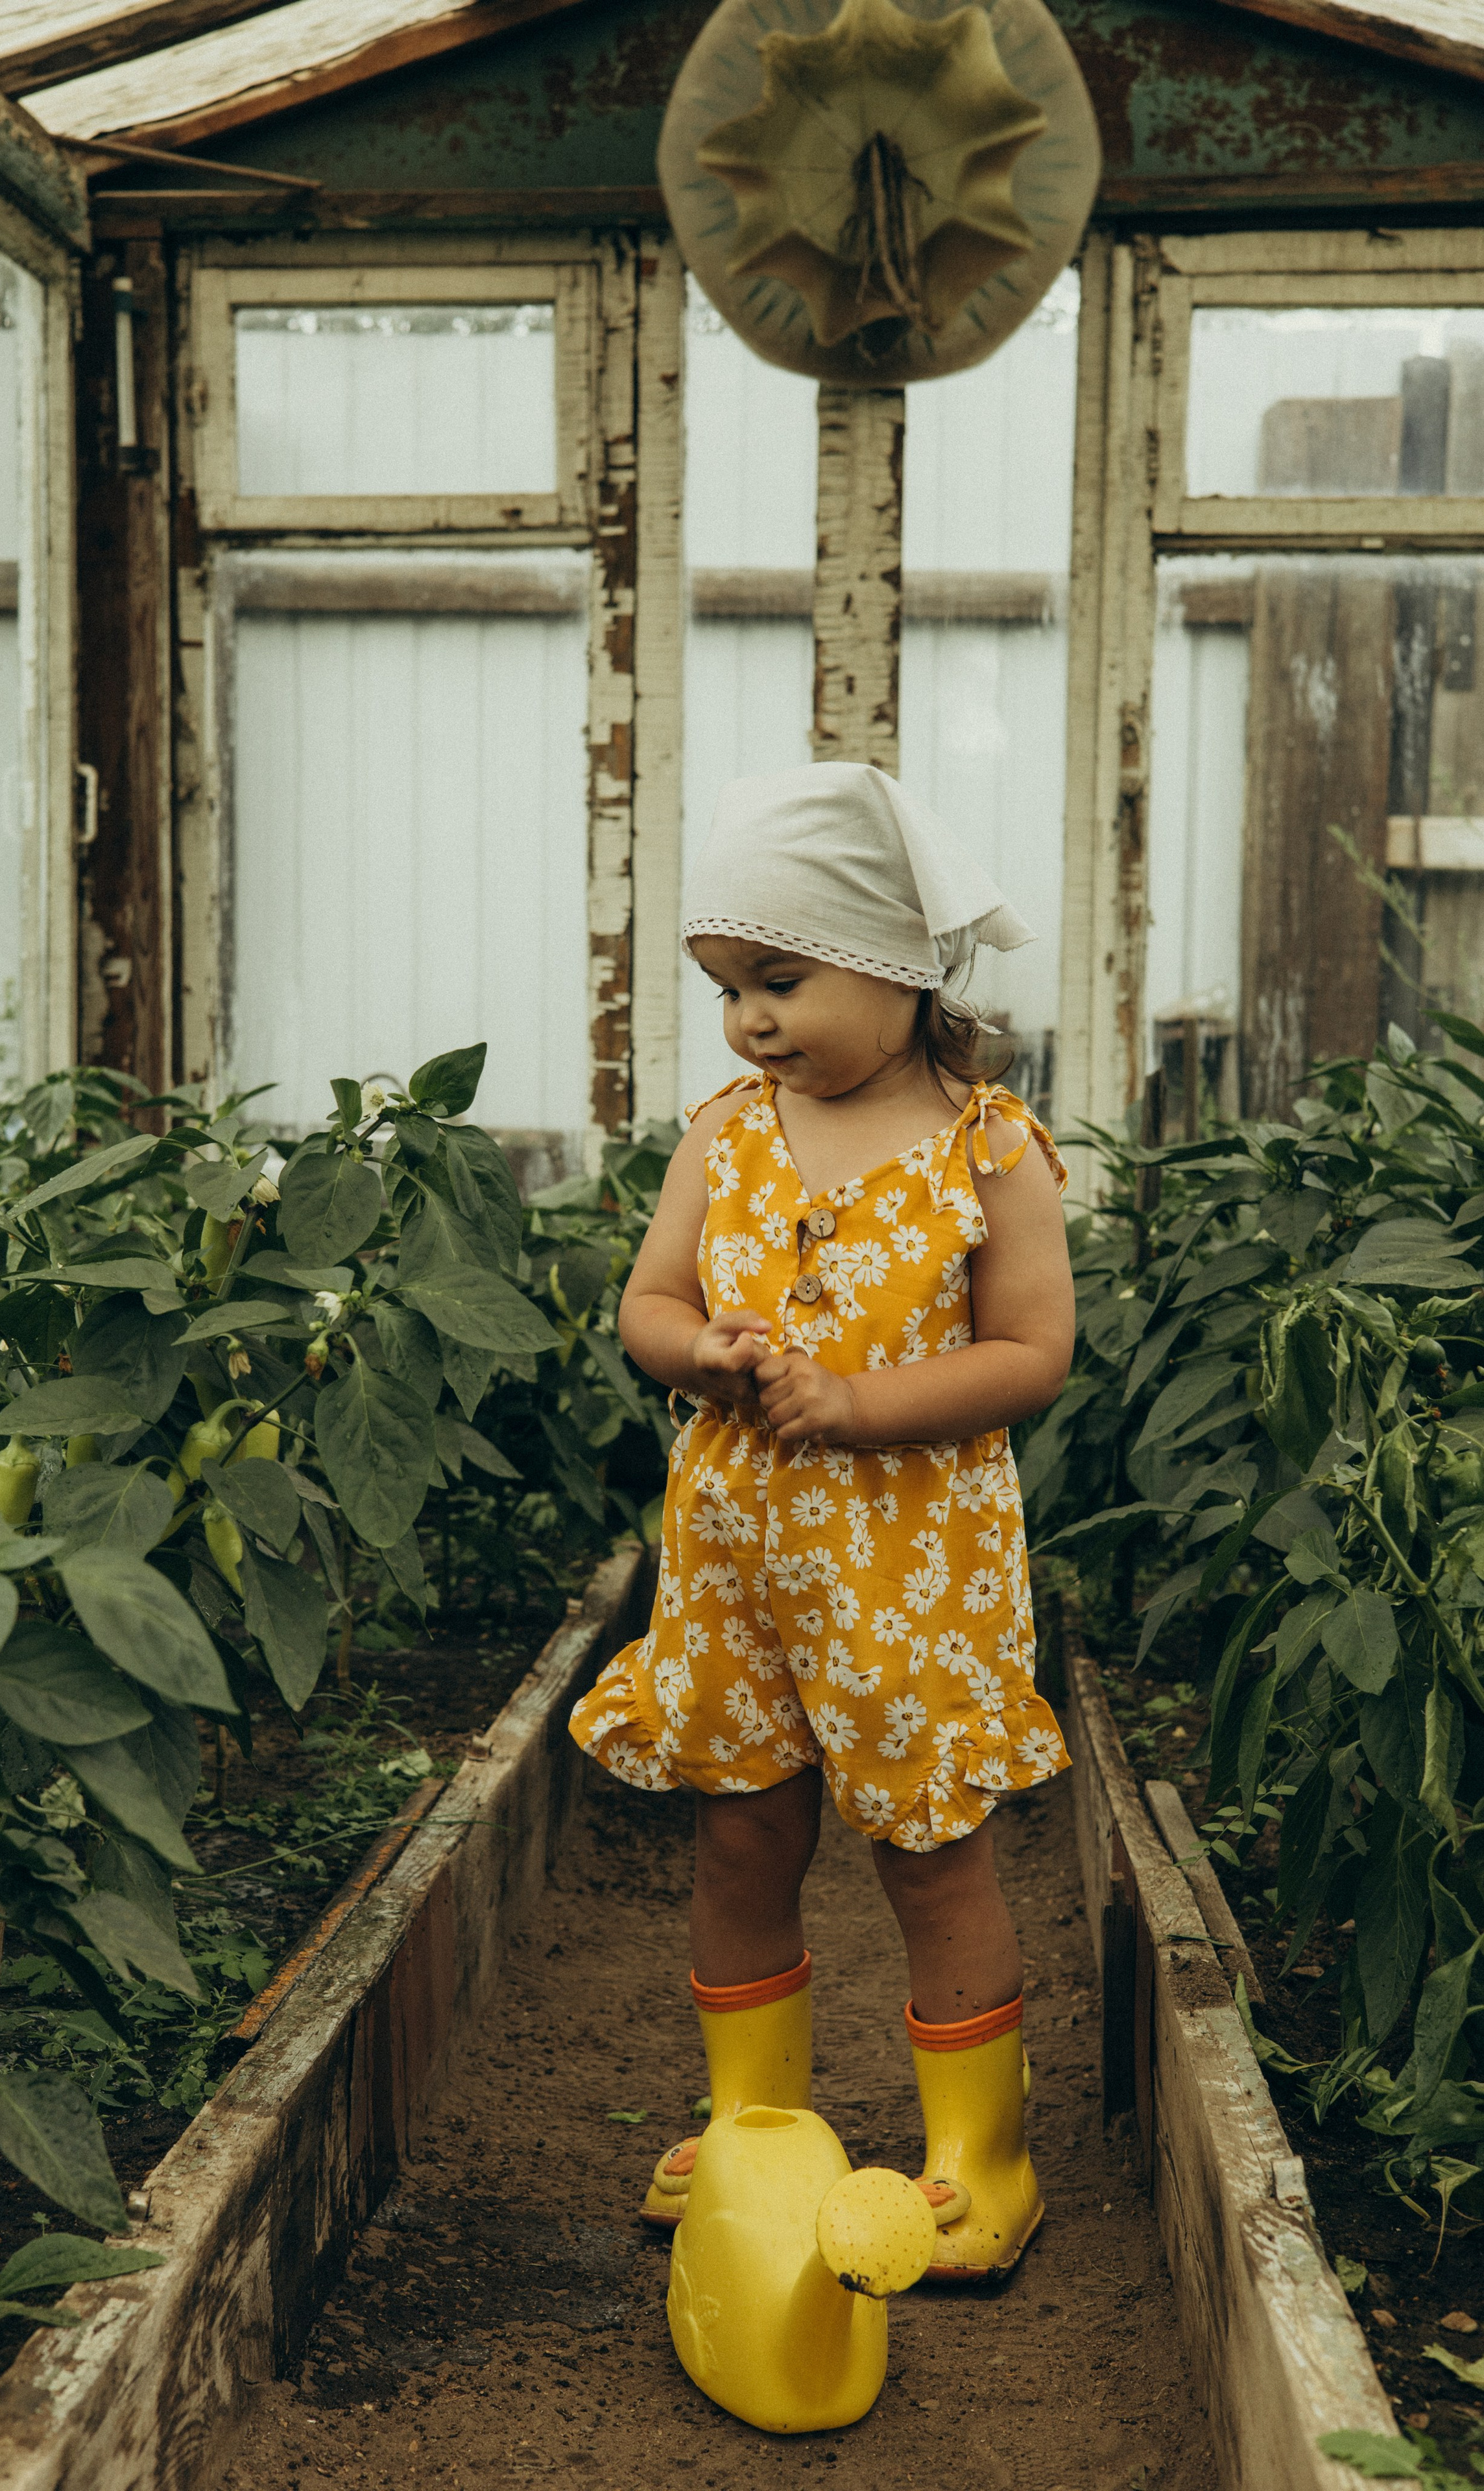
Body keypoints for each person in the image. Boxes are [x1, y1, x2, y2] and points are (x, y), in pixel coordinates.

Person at [569, 762, 1075, 2281]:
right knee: (740, 1837)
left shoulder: (988, 1149)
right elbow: (647, 1303)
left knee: (930, 1849)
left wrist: (854, 1402)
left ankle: (979, 2158)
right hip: (736, 1573)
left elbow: (1029, 1355)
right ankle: (752, 2123)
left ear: (897, 965)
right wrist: (699, 1351)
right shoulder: (725, 1135)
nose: (749, 1022)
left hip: (910, 1578)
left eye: (778, 982)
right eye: (727, 991)